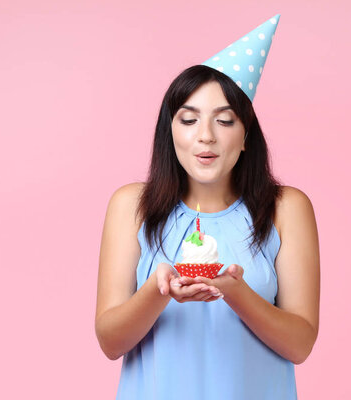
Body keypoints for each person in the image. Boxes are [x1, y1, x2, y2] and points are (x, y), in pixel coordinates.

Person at [95, 14, 320, 399]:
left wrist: (235, 292)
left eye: (224, 120)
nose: (206, 137)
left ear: (246, 134)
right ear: (171, 131)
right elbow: (111, 342)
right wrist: (158, 289)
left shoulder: (287, 209)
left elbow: (299, 345)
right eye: (189, 119)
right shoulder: (131, 206)